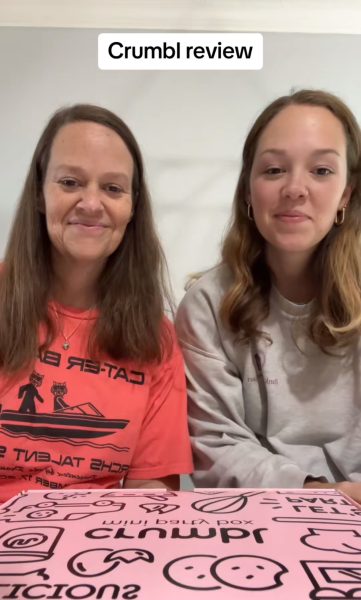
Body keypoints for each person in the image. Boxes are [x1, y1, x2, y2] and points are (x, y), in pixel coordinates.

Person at [0, 104, 193, 503]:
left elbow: (152, 492)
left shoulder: (155, 338)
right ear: (40, 194)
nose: (91, 203)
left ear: (132, 207)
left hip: (87, 550)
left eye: (112, 188)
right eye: (70, 182)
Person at [176, 89, 361, 502]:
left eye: (322, 171)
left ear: (347, 194)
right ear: (247, 190)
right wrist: (324, 494)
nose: (295, 188)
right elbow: (216, 445)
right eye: (274, 170)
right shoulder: (207, 305)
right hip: (265, 516)